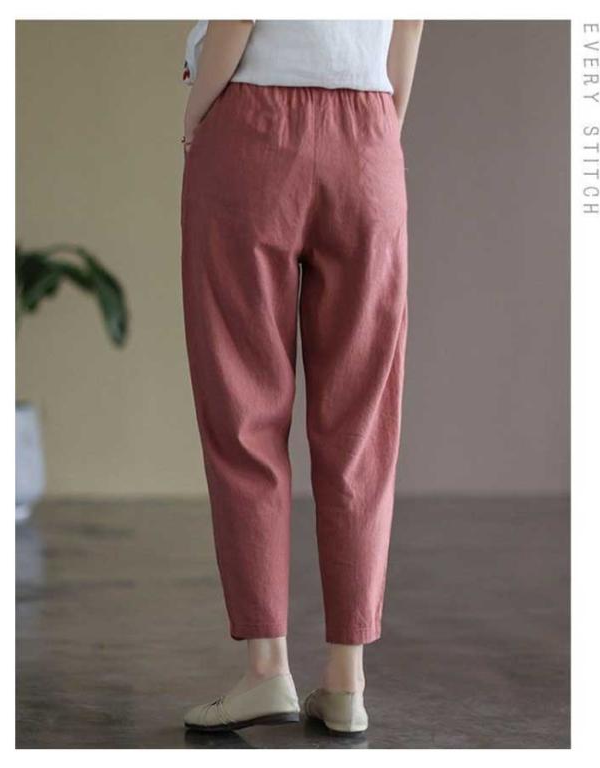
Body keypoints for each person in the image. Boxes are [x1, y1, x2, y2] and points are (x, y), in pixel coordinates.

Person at [180, 19, 424, 735]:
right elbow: (409, 21)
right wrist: (381, 131)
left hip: (251, 128)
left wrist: (195, 117)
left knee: (243, 405)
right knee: (361, 421)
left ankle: (267, 671)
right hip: (370, 131)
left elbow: (237, 18)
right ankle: (346, 681)